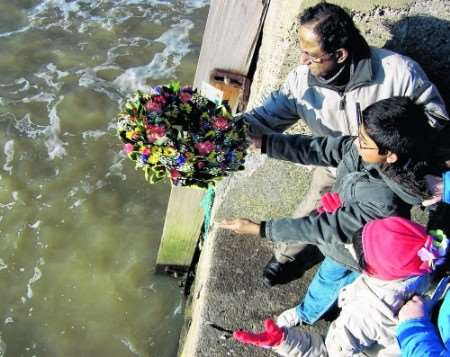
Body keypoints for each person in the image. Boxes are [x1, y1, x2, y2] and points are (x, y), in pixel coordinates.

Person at [242, 1, 449, 287]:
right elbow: (264, 121)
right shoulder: (301, 81)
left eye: (311, 55)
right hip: (332, 166)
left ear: (340, 54)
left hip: (387, 177)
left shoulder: (400, 72)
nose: (301, 61)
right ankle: (285, 257)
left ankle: (362, 268)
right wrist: (220, 131)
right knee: (307, 214)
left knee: (367, 242)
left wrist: (394, 151)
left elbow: (436, 117)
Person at [220, 96, 439, 327]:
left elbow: (322, 228)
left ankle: (307, 315)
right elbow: (324, 149)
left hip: (353, 252)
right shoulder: (365, 149)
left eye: (364, 141)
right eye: (359, 133)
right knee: (331, 280)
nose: (356, 143)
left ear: (390, 155)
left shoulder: (383, 203)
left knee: (329, 280)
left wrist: (260, 229)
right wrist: (265, 143)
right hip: (343, 232)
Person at [232, 211, 450, 356]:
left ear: (371, 270)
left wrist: (285, 342)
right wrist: (340, 214)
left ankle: (299, 318)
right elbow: (382, 251)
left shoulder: (365, 313)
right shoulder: (425, 255)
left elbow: (329, 351)